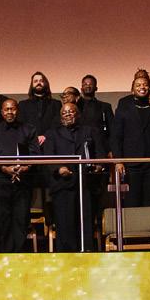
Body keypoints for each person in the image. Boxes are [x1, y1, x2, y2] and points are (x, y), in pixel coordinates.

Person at [0, 98, 40, 252]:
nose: (9, 112)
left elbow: (35, 154)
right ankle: (5, 255)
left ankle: (19, 254)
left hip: (23, 180)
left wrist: (25, 167)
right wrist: (4, 168)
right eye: (6, 109)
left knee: (21, 218)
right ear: (2, 112)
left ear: (17, 111)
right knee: (2, 219)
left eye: (12, 109)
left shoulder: (29, 129)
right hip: (0, 180)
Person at [45, 102, 103, 251]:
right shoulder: (52, 134)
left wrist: (98, 166)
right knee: (65, 223)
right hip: (63, 184)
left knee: (86, 221)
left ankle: (87, 251)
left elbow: (100, 153)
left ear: (78, 114)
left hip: (86, 184)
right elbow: (48, 156)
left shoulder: (90, 131)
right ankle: (67, 254)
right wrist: (59, 169)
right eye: (64, 113)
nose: (67, 115)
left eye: (71, 112)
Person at [111, 72, 150, 209]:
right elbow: (116, 136)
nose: (142, 87)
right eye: (138, 85)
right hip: (131, 164)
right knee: (132, 202)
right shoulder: (124, 109)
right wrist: (118, 160)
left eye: (145, 84)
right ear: (132, 89)